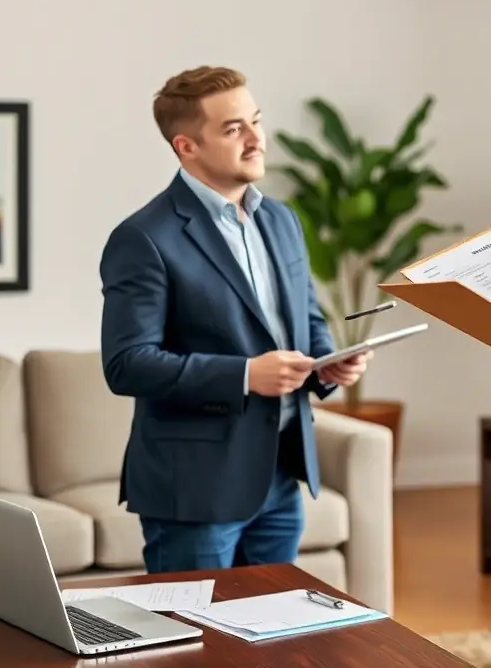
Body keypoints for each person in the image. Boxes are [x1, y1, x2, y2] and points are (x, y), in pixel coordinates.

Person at [99, 65, 370, 573]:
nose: (256, 139)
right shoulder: (144, 238)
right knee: (198, 646)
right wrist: (246, 375)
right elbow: (127, 364)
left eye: (255, 121)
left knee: (274, 644)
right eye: (233, 129)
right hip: (196, 490)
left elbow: (305, 320)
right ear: (187, 147)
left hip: (281, 475)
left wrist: (327, 363)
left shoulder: (281, 219)